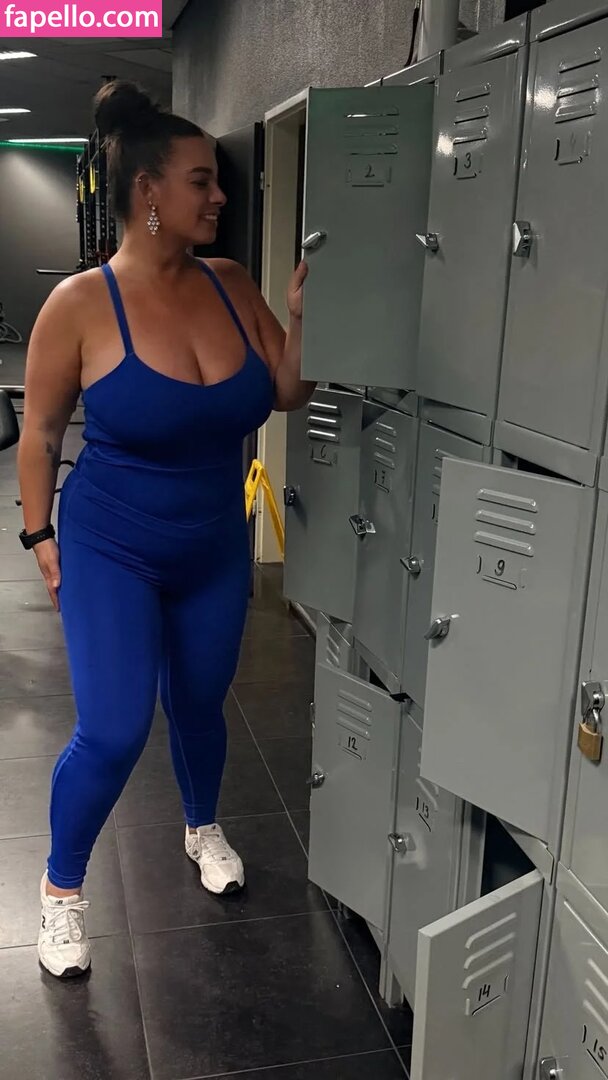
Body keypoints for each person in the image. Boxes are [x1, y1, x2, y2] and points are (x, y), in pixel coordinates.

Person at [17, 79, 315, 980]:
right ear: (148, 192)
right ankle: (62, 892)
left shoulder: (231, 283)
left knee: (198, 702)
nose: (220, 196)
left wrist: (303, 319)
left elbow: (286, 390)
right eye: (202, 181)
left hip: (213, 542)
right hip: (112, 544)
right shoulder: (80, 304)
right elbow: (40, 432)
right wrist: (39, 536)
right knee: (113, 730)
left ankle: (201, 826)